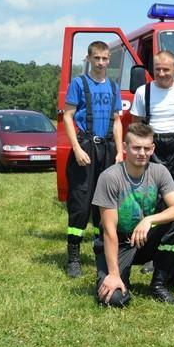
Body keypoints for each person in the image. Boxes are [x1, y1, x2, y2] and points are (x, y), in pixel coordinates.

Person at [93, 123, 174, 306]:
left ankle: (158, 285)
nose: (141, 153)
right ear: (124, 147)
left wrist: (149, 220)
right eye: (136, 147)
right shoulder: (110, 177)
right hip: (118, 242)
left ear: (153, 148)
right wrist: (113, 274)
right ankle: (116, 274)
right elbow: (109, 231)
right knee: (114, 299)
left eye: (146, 148)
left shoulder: (159, 171)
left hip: (144, 239)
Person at [62, 41, 124, 278]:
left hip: (108, 149)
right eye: (96, 58)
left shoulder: (113, 86)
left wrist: (119, 151)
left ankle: (102, 251)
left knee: (106, 204)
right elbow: (68, 116)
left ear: (109, 60)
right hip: (85, 146)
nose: (101, 63)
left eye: (105, 58)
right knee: (80, 203)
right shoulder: (78, 84)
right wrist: (76, 148)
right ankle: (74, 257)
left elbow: (117, 120)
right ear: (88, 59)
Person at [130, 50, 174, 190]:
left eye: (166, 69)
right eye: (157, 69)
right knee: (151, 185)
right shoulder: (142, 92)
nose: (161, 73)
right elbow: (135, 126)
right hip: (153, 145)